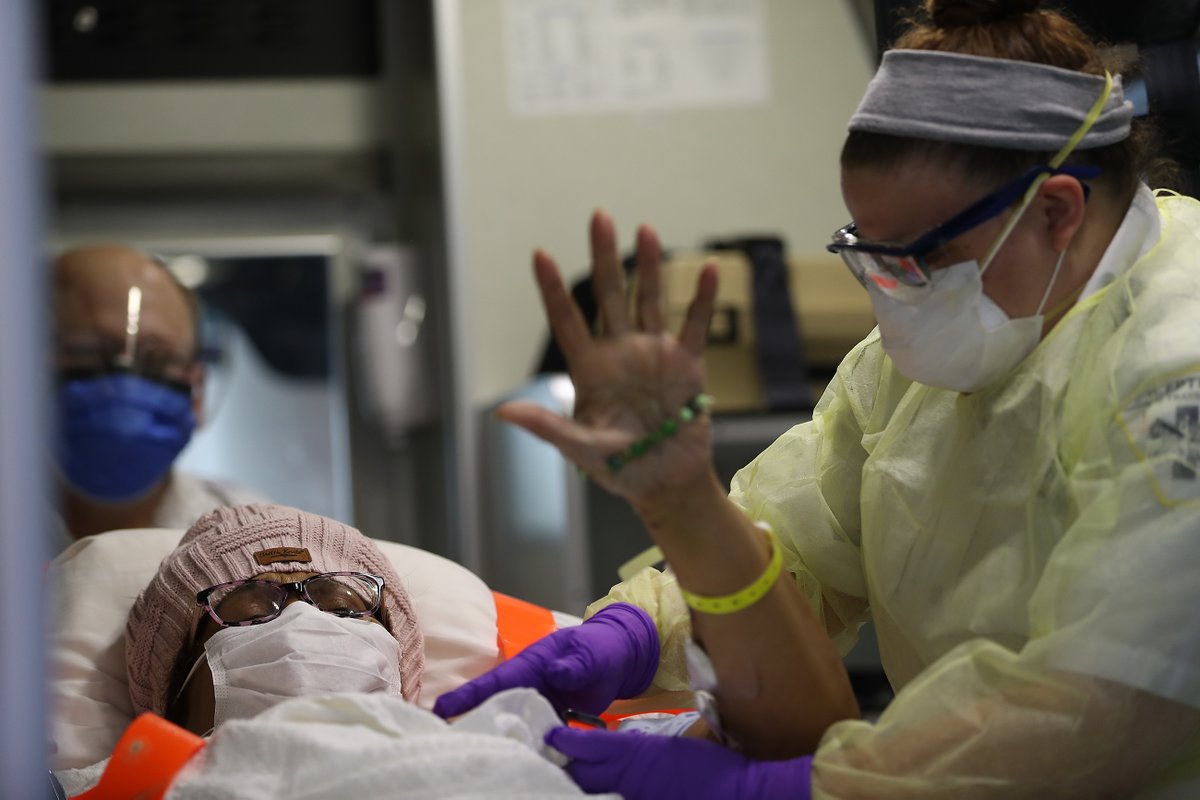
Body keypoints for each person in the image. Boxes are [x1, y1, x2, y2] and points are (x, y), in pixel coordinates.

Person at [433, 0, 1200, 796]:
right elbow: (796, 545)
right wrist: (636, 628)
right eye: (871, 256)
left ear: (1056, 211)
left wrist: (803, 788)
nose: (893, 297)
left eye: (917, 260)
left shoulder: (1177, 369)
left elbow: (1096, 707)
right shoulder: (942, 350)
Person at [54, 503, 593, 798]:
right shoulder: (106, 790)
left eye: (342, 603)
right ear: (175, 686)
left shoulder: (503, 748)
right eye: (249, 607)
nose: (303, 620)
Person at [52, 244, 264, 548]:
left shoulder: (254, 537)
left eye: (160, 357)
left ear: (198, 391)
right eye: (90, 350)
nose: (126, 383)